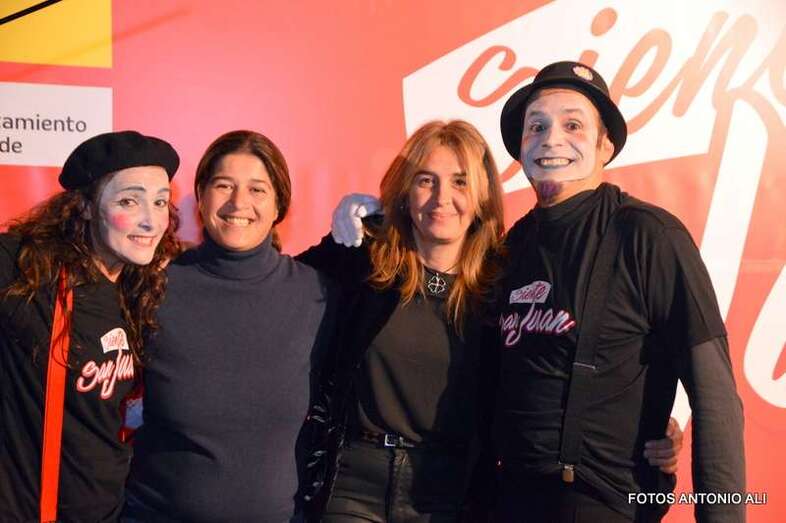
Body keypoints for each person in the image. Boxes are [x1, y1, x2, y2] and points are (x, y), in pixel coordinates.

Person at [301, 120, 683, 522]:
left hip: (452, 495)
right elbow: (275, 291)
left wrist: (643, 426)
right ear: (405, 192)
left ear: (482, 197)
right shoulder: (364, 264)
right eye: (426, 180)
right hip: (352, 485)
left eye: (460, 182)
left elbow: (558, 372)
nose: (442, 198)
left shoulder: (507, 284)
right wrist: (338, 236)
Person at [493, 61, 745, 522]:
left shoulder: (649, 235)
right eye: (537, 126)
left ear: (605, 145)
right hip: (508, 501)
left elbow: (716, 397)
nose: (551, 139)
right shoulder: (512, 246)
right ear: (521, 145)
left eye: (573, 125)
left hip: (607, 505)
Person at [124, 130, 337, 523]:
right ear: (201, 197)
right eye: (224, 185)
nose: (239, 203)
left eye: (257, 189)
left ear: (279, 203)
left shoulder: (318, 294)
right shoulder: (152, 286)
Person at [0, 131, 180, 522]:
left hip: (111, 512)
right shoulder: (27, 272)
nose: (151, 220)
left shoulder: (144, 288)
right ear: (84, 207)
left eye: (160, 201)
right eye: (129, 201)